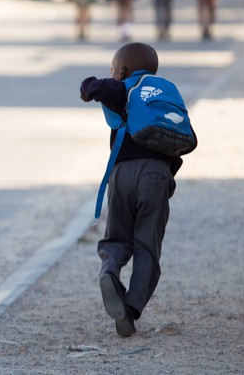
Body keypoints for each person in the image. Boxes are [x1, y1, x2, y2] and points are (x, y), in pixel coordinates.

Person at [79, 42, 197, 338]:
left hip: (122, 176)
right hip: (157, 176)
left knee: (117, 236)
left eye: (113, 70)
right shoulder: (163, 91)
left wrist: (89, 88)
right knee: (147, 247)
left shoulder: (124, 87)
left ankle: (110, 271)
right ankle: (131, 309)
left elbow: (94, 87)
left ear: (121, 70)